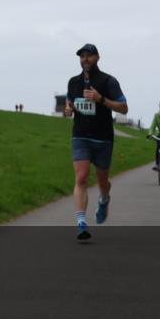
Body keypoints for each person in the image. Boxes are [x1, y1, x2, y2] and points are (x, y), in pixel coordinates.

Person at [63, 43, 128, 241]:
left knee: (102, 181)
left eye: (89, 56)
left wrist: (101, 99)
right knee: (81, 178)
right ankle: (81, 222)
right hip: (81, 136)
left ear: (97, 57)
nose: (85, 60)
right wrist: (69, 109)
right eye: (82, 56)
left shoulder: (108, 81)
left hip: (103, 137)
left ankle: (104, 199)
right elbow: (69, 101)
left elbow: (124, 108)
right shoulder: (73, 82)